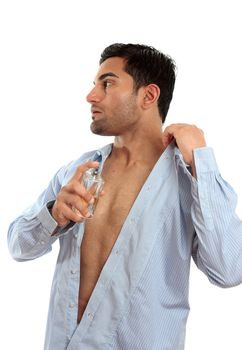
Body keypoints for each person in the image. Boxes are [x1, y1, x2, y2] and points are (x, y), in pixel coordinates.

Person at [8, 43, 242, 350]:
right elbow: (17, 246)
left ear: (148, 95)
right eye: (94, 86)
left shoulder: (189, 181)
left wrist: (201, 161)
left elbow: (229, 269)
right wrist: (53, 213)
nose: (91, 96)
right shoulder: (78, 172)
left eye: (107, 84)